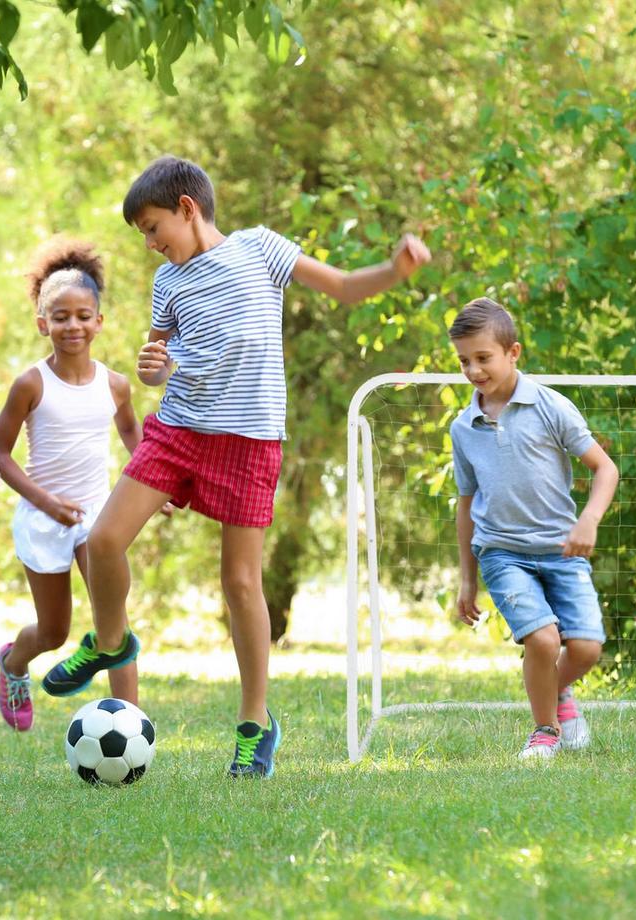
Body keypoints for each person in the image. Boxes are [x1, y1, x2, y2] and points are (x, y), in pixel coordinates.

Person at [43, 155, 432, 777]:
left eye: (152, 228)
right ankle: (109, 641)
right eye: (142, 234)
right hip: (178, 430)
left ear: (187, 209)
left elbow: (342, 286)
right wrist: (152, 370)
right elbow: (160, 361)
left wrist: (394, 270)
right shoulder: (167, 282)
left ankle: (255, 723)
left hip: (249, 441)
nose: (149, 244)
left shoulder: (260, 249)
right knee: (105, 539)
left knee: (241, 583)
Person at [0, 238, 159, 731]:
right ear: (43, 323)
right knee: (54, 632)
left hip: (98, 519)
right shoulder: (31, 384)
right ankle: (13, 663)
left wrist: (154, 482)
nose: (73, 326)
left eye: (83, 316)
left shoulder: (115, 384)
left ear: (99, 321)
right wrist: (46, 502)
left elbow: (132, 434)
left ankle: (132, 725)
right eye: (60, 317)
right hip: (43, 518)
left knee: (113, 623)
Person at [449, 297, 619, 759]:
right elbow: (466, 504)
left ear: (513, 353)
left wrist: (588, 520)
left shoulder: (550, 406)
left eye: (483, 357)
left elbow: (605, 469)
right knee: (542, 641)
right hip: (501, 552)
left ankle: (555, 690)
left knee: (586, 648)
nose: (473, 370)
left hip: (562, 549)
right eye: (464, 360)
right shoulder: (463, 428)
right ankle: (545, 729)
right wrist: (467, 579)